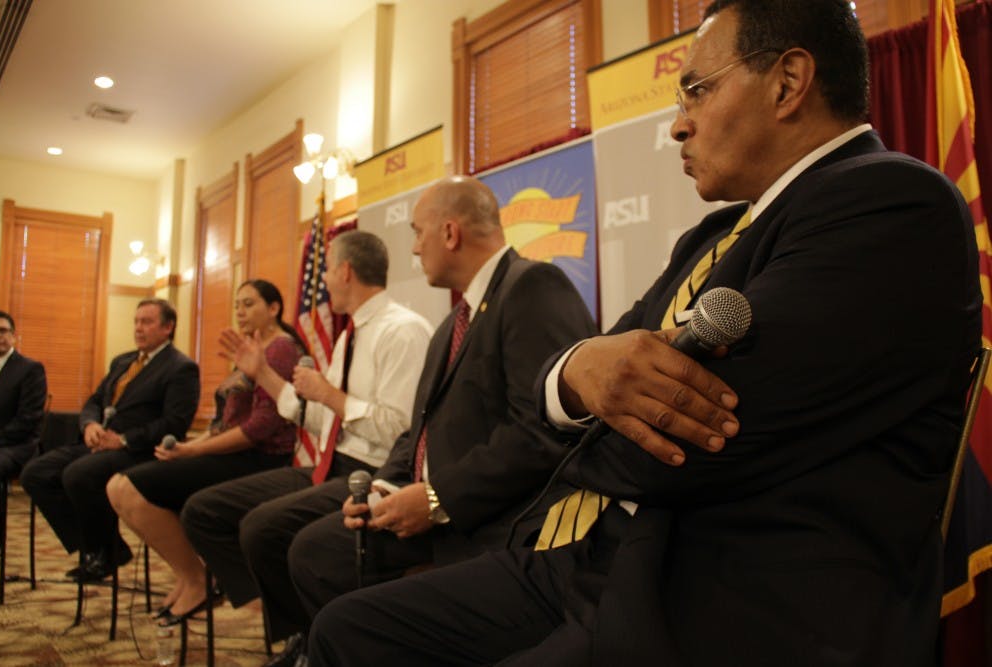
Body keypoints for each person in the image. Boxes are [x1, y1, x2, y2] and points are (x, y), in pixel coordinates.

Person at [308, 2, 982, 666]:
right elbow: (590, 366)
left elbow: (690, 443)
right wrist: (579, 376)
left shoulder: (893, 204)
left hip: (727, 601)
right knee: (348, 629)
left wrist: (590, 422)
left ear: (788, 81)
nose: (677, 126)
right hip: (598, 557)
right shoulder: (715, 236)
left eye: (697, 90)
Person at [203, 177, 597, 666]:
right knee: (309, 548)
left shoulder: (531, 286)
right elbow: (418, 430)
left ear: (449, 233)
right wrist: (383, 488)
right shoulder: (452, 324)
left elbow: (542, 431)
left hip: (497, 518)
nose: (413, 248)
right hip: (432, 501)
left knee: (318, 558)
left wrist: (437, 500)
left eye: (417, 232)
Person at [181, 230, 433, 658]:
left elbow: (401, 433)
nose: (326, 282)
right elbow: (321, 419)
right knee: (206, 510)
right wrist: (262, 374)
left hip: (372, 474)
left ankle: (316, 639)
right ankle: (302, 628)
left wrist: (329, 395)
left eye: (330, 269)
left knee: (264, 529)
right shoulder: (350, 335)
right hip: (331, 463)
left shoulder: (403, 332)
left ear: (345, 270)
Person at [106, 280, 303, 625]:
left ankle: (200, 580)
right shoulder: (252, 348)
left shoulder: (281, 350)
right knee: (118, 488)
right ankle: (191, 575)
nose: (240, 312)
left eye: (249, 304)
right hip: (230, 453)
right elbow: (223, 421)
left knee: (130, 488)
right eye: (237, 304)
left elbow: (259, 428)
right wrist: (189, 446)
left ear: (274, 308)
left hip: (261, 459)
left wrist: (194, 454)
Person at [21, 299, 199, 582]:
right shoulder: (123, 361)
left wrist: (124, 440)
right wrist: (89, 424)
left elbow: (174, 424)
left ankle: (101, 552)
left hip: (139, 450)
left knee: (78, 475)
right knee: (35, 473)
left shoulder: (181, 368)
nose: (138, 328)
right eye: (136, 321)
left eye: (147, 322)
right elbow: (95, 400)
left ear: (168, 327)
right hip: (98, 443)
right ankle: (104, 549)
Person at [0, 310, 47, 556]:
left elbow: (28, 420)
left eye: (2, 330)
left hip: (17, 445)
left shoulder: (30, 369)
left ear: (13, 336)